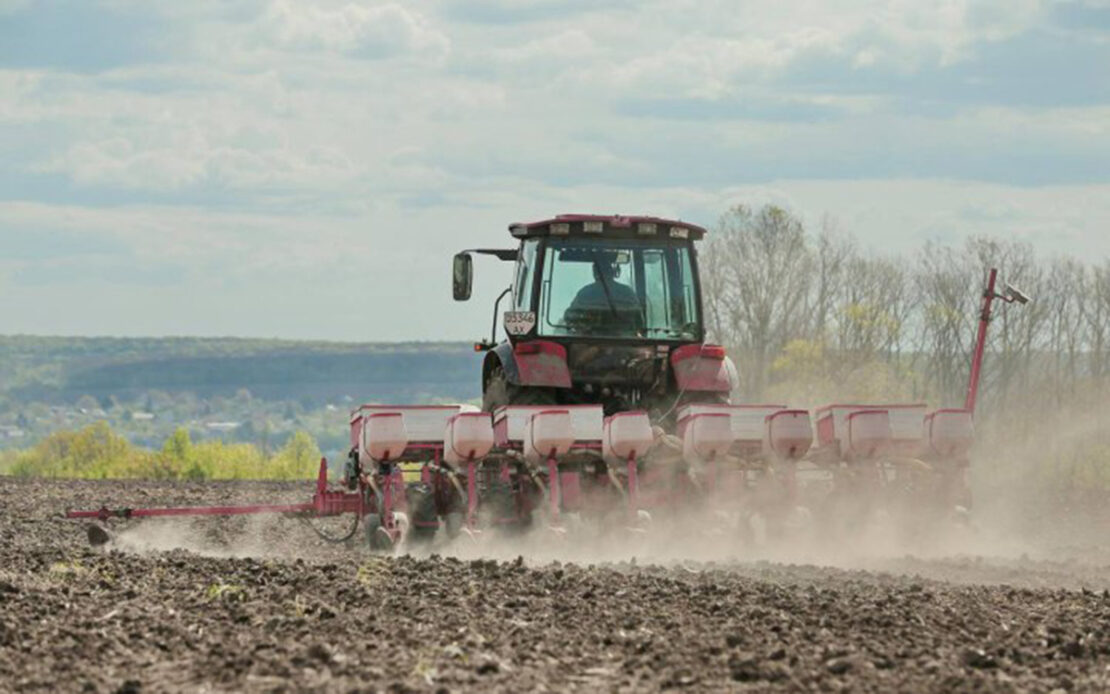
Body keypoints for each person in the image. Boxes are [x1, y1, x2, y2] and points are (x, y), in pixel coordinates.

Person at [563, 261, 641, 330]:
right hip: (624, 341)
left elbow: (570, 317)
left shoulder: (585, 293)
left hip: (590, 339)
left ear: (594, 273)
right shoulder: (627, 292)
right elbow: (639, 320)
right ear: (612, 272)